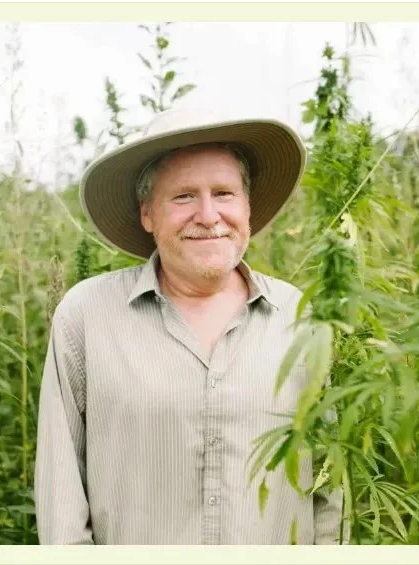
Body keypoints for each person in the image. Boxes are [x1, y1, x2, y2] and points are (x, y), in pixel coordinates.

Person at [34, 108, 347, 545]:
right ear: (148, 213)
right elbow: (60, 496)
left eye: (224, 193)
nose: (208, 214)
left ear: (247, 207)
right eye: (183, 196)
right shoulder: (87, 316)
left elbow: (328, 489)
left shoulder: (300, 316)